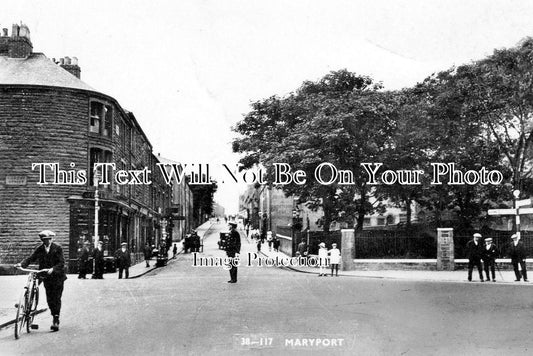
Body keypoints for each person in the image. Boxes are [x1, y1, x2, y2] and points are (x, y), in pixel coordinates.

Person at [15, 230, 67, 332]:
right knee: (49, 298)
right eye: (44, 240)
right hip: (46, 276)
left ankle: (56, 320)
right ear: (42, 240)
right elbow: (31, 258)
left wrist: (52, 269)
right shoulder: (40, 249)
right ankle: (28, 304)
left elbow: (61, 263)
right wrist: (21, 264)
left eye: (48, 239)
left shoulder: (57, 248)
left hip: (57, 277)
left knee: (56, 298)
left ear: (52, 239)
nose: (47, 241)